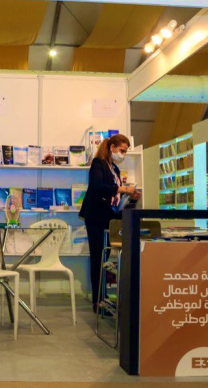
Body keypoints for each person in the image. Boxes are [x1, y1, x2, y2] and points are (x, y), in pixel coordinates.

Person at [79, 134, 140, 313]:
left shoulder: (115, 169)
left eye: (126, 151)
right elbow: (97, 186)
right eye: (122, 150)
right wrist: (123, 189)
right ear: (112, 147)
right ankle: (98, 301)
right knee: (98, 258)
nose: (123, 154)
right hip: (96, 216)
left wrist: (131, 196)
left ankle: (104, 298)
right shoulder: (98, 164)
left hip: (110, 216)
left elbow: (115, 196)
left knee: (106, 259)